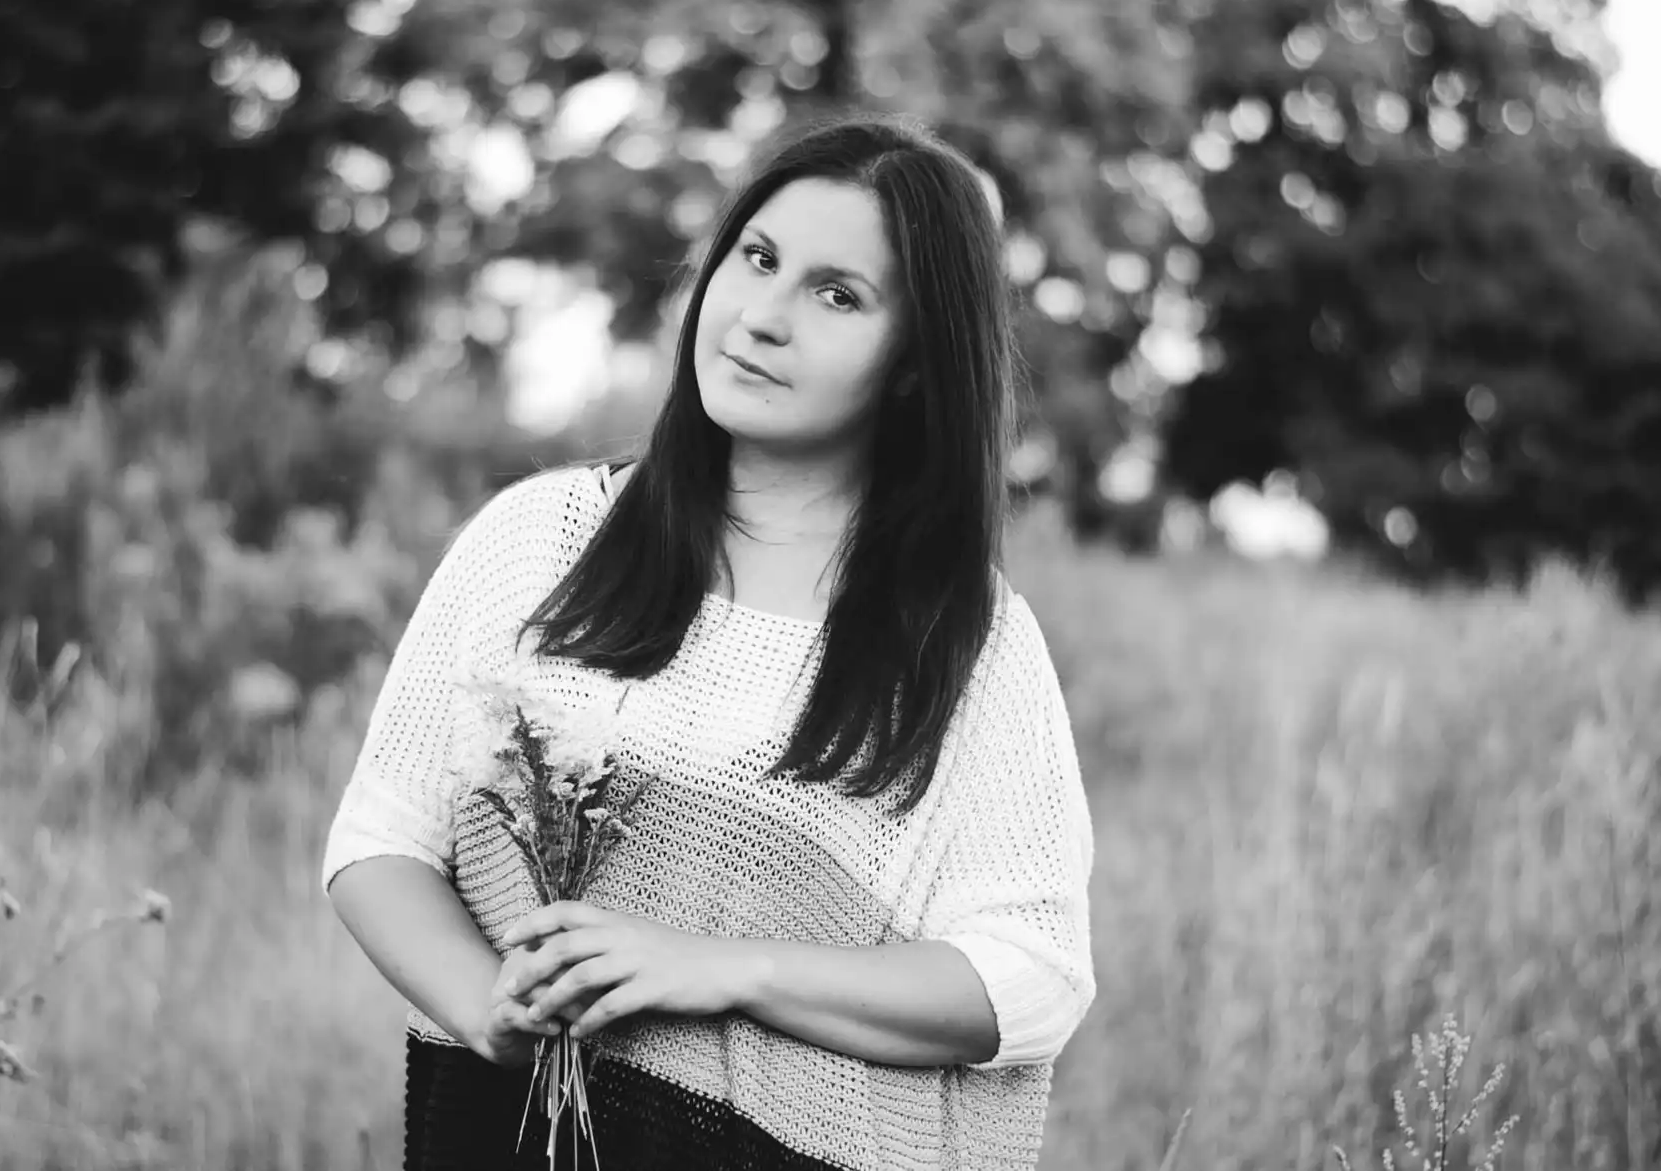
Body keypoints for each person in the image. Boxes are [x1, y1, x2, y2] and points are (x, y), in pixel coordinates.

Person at [321, 111, 1096, 1170]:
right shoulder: (538, 541)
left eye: (837, 294)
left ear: (916, 362)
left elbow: (1033, 977)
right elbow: (382, 840)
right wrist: (485, 1005)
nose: (761, 316)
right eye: (758, 257)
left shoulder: (965, 641)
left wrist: (720, 966)